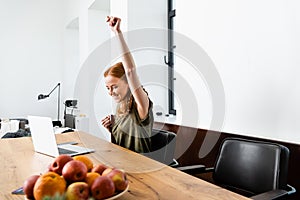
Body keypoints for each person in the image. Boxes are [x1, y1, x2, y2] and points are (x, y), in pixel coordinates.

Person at [101, 16, 154, 153]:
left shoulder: (141, 105)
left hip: (140, 168)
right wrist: (112, 129)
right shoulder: (120, 106)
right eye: (108, 88)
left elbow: (130, 71)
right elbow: (122, 147)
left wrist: (117, 33)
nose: (110, 92)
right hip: (122, 164)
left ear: (128, 84)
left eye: (115, 86)